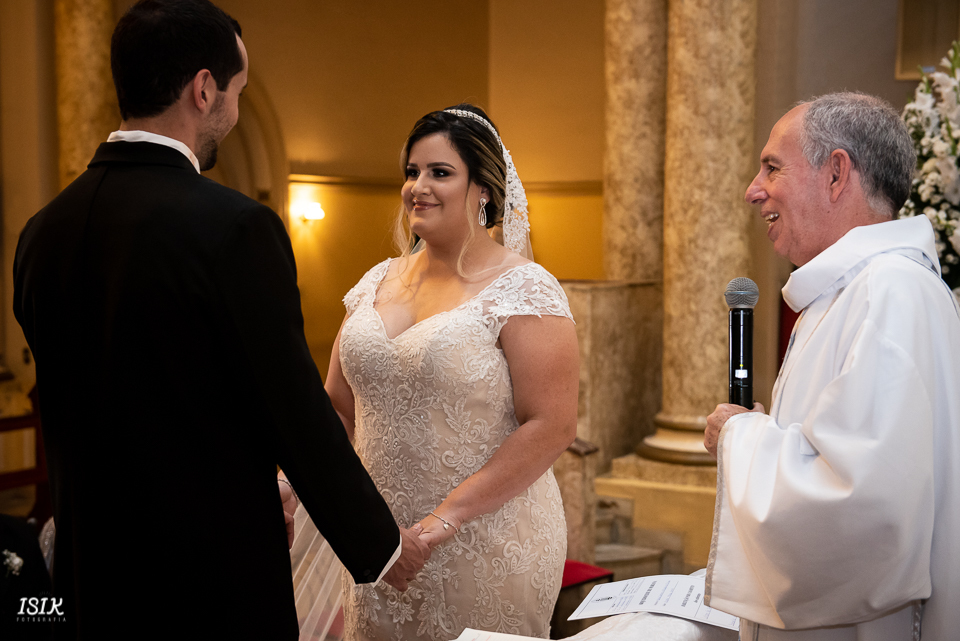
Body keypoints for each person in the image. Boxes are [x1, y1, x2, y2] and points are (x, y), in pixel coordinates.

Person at [12, 1, 426, 638]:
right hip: (206, 582)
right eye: (237, 91)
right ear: (204, 89)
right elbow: (290, 407)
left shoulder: (42, 234)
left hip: (86, 577)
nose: (233, 111)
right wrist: (381, 546)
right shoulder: (234, 228)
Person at [290, 104, 579, 640]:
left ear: (483, 190)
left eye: (440, 172)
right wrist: (296, 483)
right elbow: (336, 406)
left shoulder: (525, 288)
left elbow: (553, 425)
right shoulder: (377, 281)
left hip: (487, 539)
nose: (418, 186)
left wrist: (445, 519)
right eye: (412, 172)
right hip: (380, 544)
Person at [703, 92, 960, 640]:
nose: (754, 190)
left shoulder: (890, 292)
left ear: (836, 174)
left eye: (773, 166)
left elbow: (862, 501)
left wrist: (741, 437)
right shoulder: (852, 292)